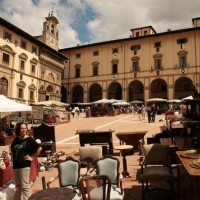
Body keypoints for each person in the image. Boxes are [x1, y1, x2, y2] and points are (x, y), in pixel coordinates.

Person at [11, 122, 42, 200]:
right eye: (22, 128)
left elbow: (39, 148)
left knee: (25, 186)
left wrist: (33, 157)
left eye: (25, 128)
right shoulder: (16, 139)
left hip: (24, 165)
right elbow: (12, 149)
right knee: (18, 186)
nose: (24, 130)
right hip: (16, 165)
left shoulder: (29, 139)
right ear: (18, 129)